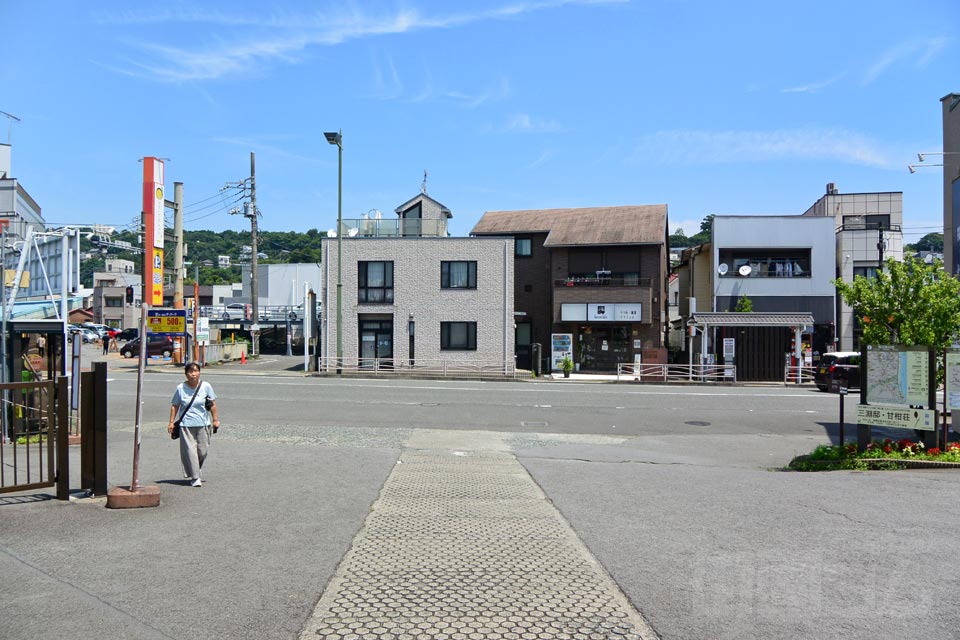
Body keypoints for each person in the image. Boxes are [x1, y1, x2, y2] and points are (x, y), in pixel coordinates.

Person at [168, 362, 220, 487]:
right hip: (186, 424)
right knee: (190, 451)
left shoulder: (206, 386)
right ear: (186, 374)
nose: (193, 374)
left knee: (203, 450)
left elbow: (212, 404)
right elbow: (175, 406)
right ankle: (195, 477)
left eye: (196, 371)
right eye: (190, 371)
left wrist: (215, 420)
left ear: (199, 372)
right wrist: (171, 422)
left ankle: (196, 469)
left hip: (203, 423)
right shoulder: (180, 388)